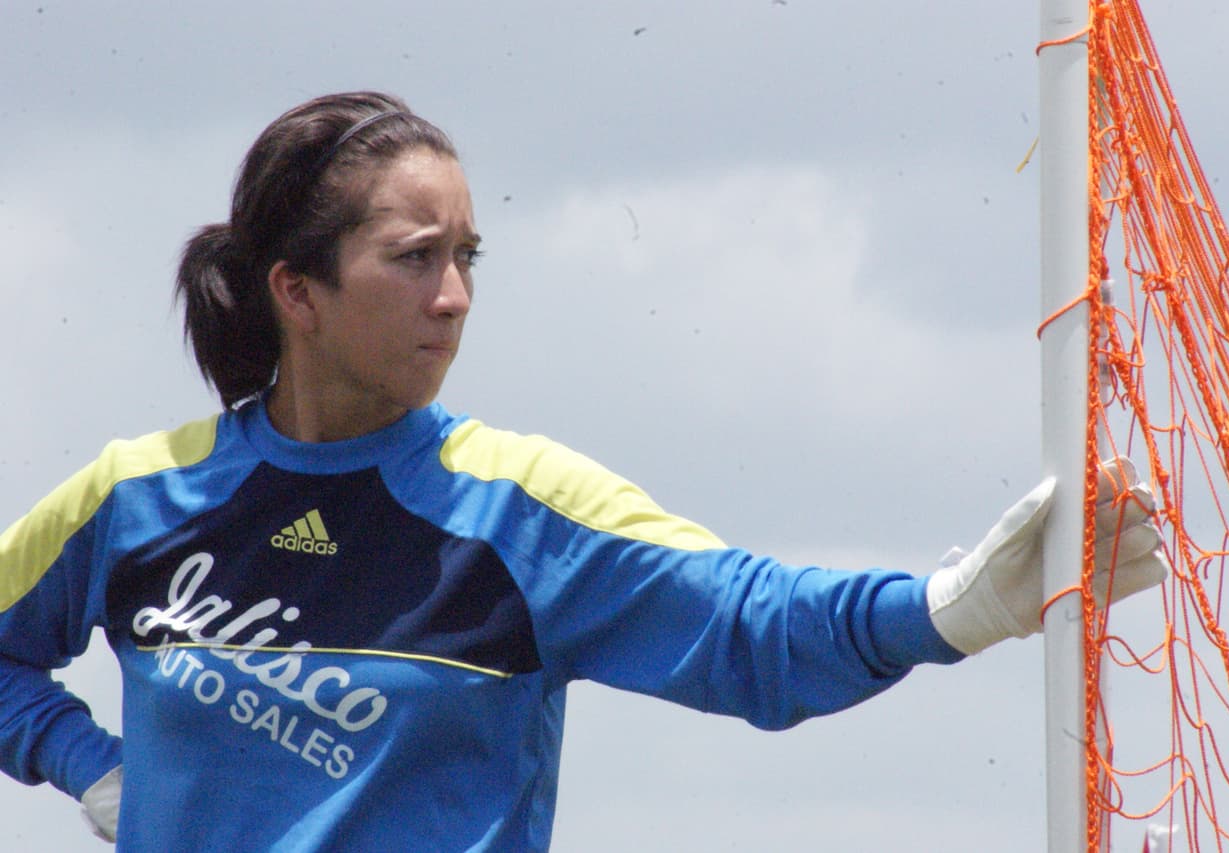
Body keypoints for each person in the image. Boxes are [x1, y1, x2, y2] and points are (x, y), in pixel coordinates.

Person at [0, 91, 1168, 851]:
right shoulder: (134, 496)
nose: (452, 295)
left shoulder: (520, 508)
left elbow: (750, 626)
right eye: (412, 259)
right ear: (295, 292)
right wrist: (87, 764)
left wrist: (949, 611)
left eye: (465, 255)